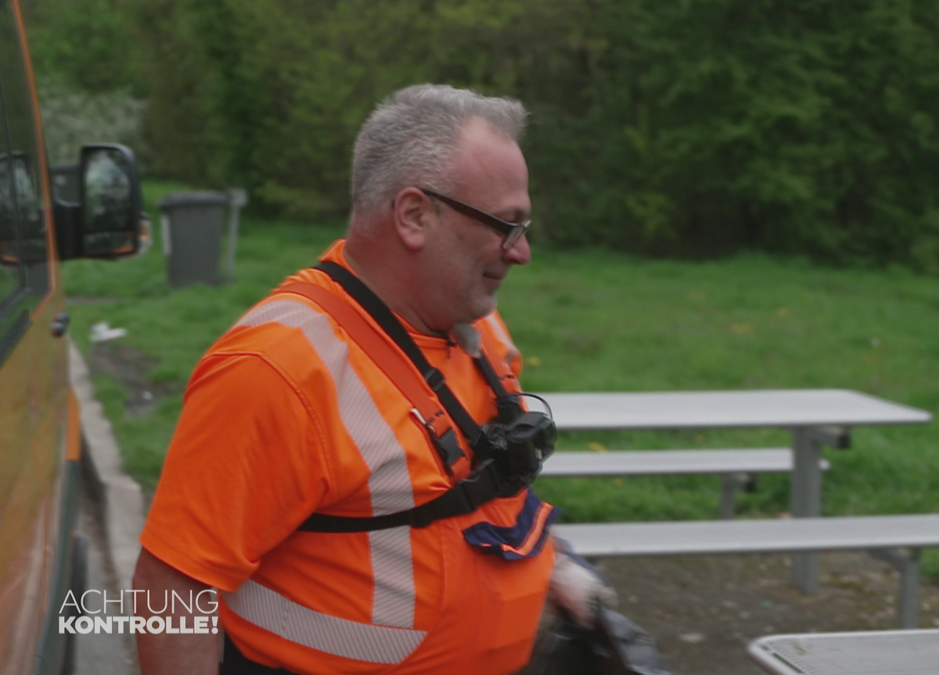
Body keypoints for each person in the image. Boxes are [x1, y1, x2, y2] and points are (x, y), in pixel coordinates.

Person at [133, 84, 613, 675]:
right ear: (414, 215)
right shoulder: (275, 369)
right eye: (505, 225)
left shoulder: (475, 325)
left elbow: (468, 486)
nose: (522, 252)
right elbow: (171, 586)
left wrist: (554, 566)